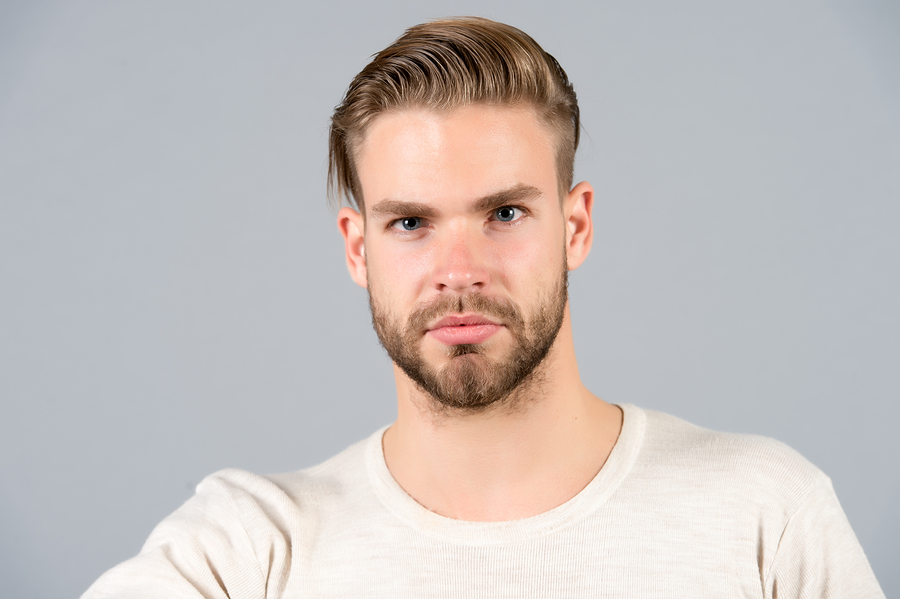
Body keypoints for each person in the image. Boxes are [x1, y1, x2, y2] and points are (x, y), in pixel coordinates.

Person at [83, 16, 884, 598]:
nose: (457, 272)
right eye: (409, 222)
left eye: (504, 213)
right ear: (358, 248)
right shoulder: (248, 547)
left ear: (575, 226)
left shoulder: (765, 515)